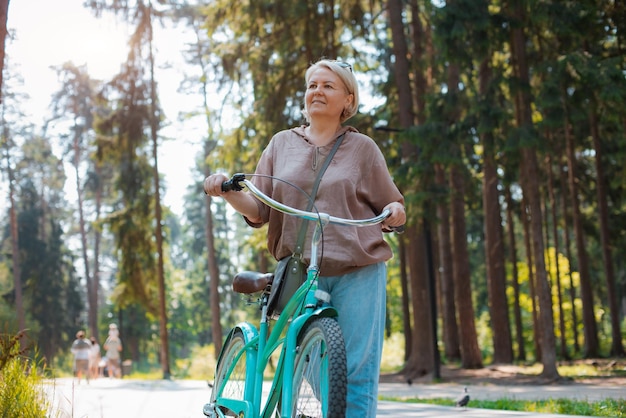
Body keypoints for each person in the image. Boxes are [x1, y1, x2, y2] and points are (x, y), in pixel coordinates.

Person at [204, 59, 406, 417]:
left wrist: (395, 212)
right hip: (300, 270)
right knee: (312, 371)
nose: (317, 91)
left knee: (356, 372)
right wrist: (225, 190)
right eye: (312, 85)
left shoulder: (363, 149)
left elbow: (390, 202)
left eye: (328, 85)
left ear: (348, 99)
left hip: (358, 268)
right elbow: (258, 206)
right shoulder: (282, 144)